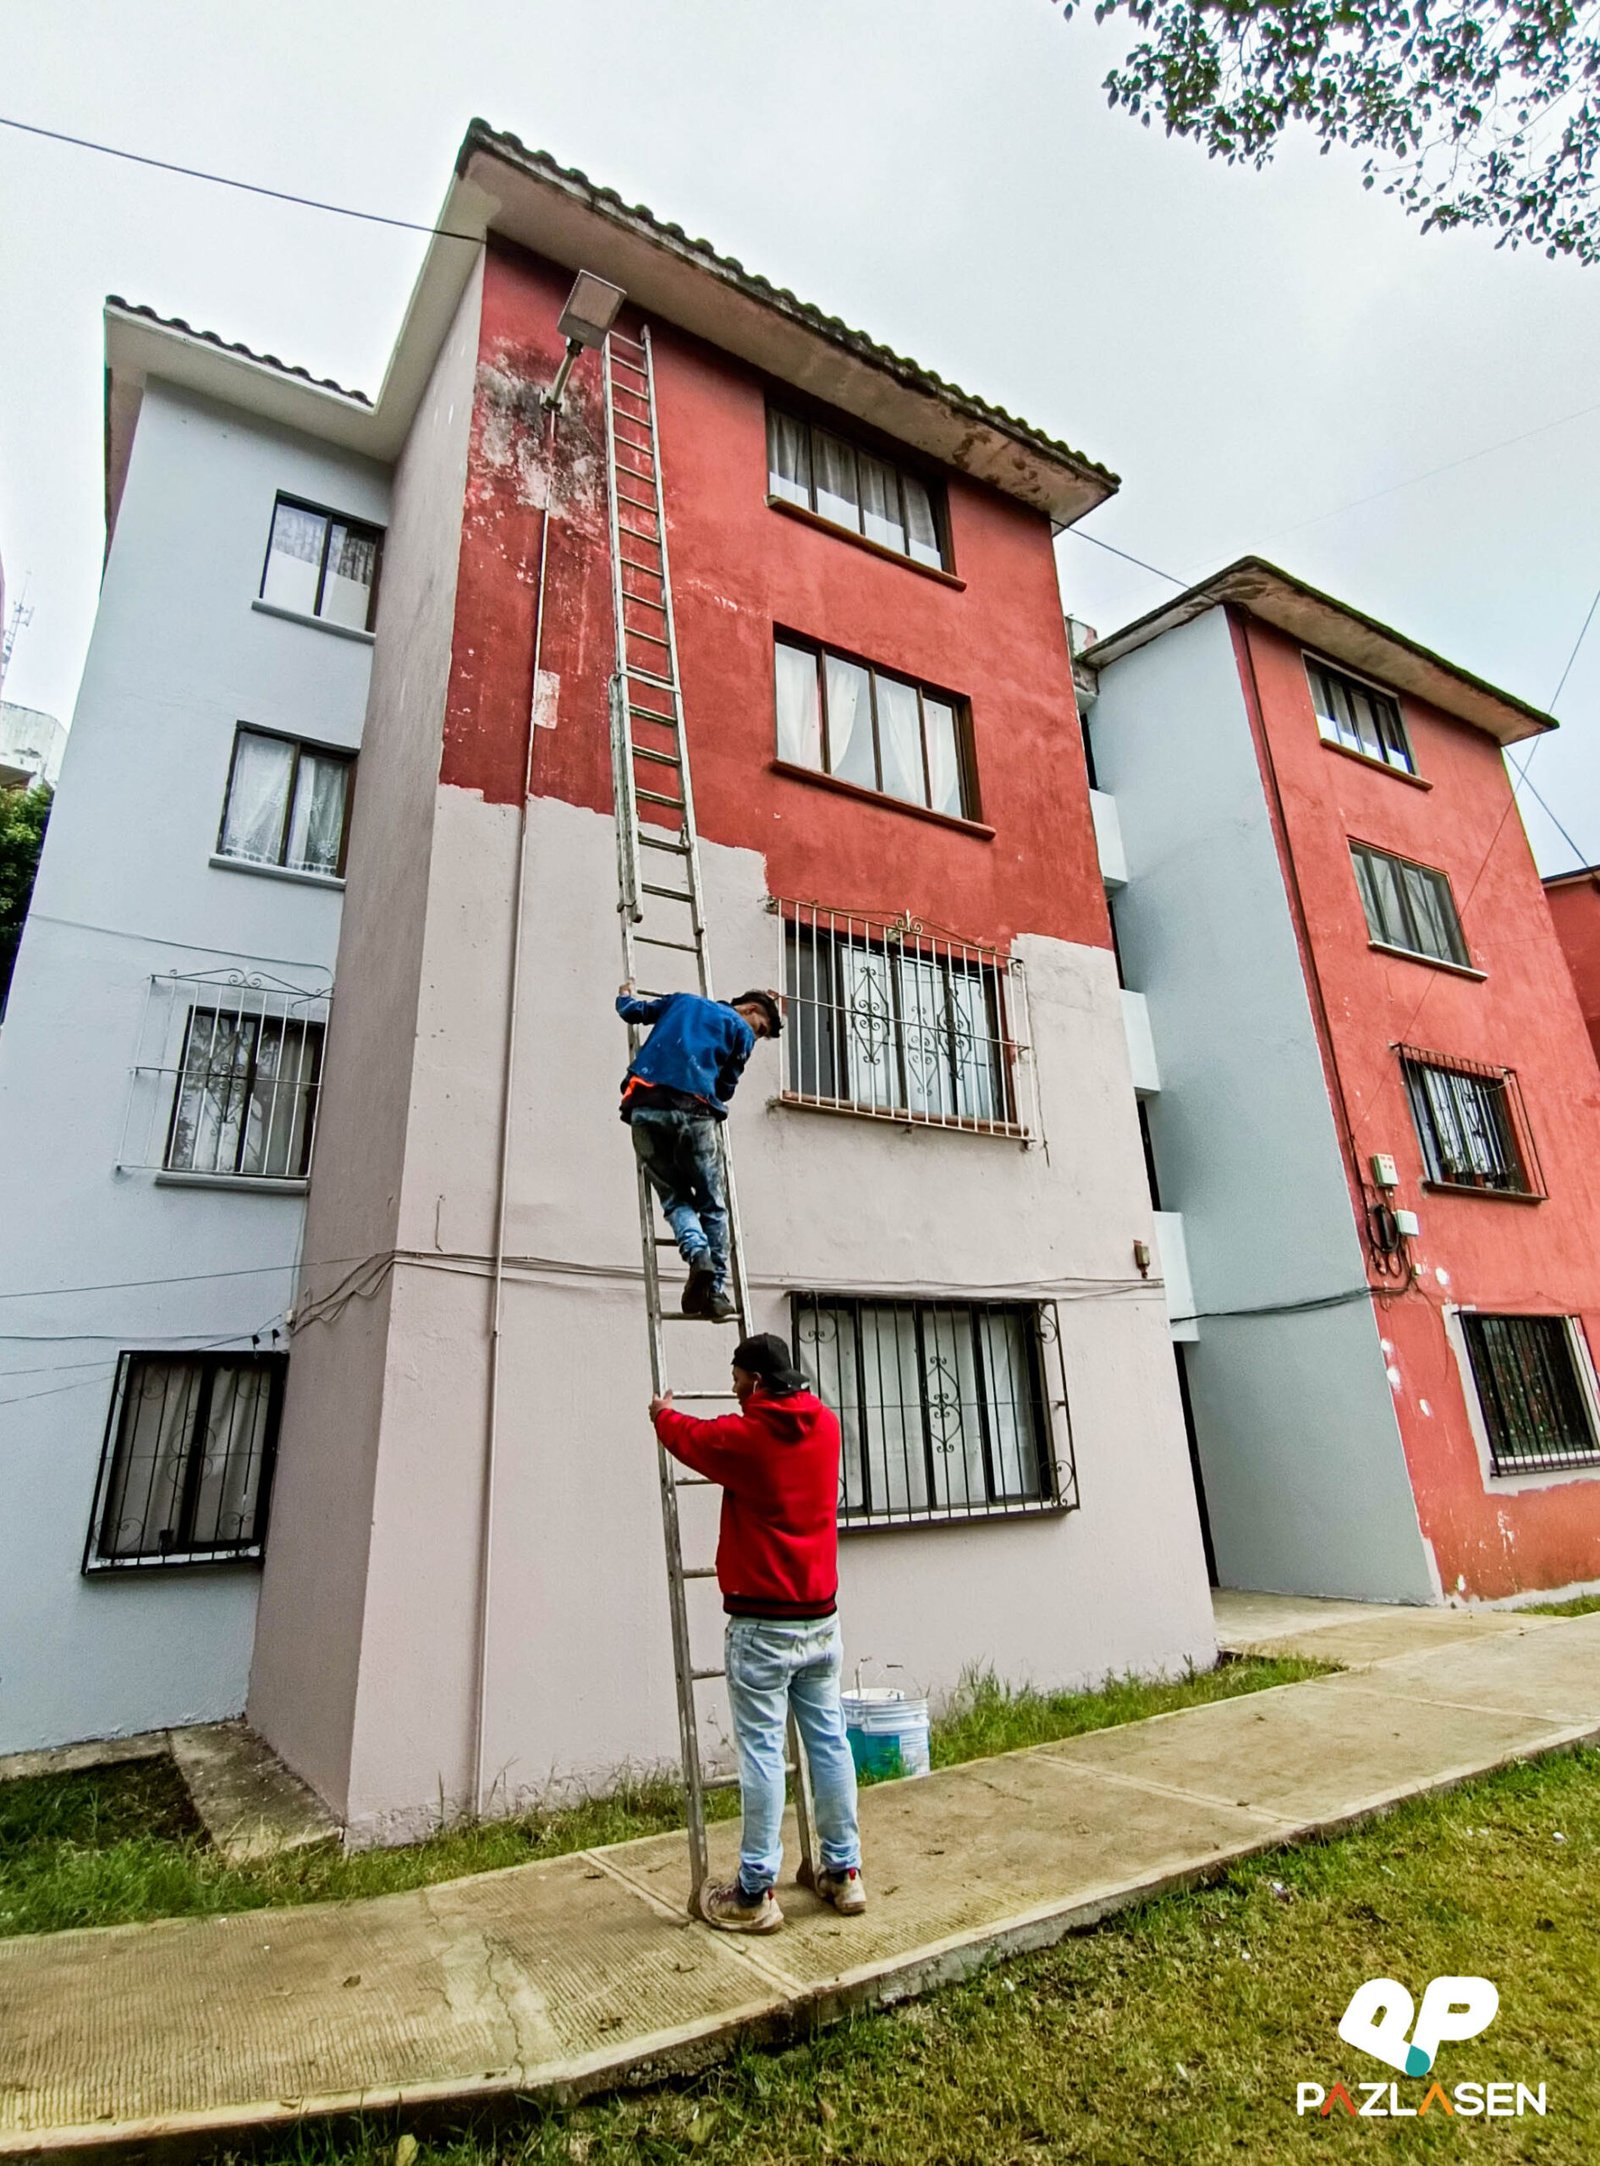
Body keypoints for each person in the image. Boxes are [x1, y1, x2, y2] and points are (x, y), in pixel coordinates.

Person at [650, 1331, 866, 1933]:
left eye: (738, 1379)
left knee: (764, 1754)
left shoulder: (747, 1437)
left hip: (763, 1628)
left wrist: (662, 1413)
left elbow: (692, 1439)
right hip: (820, 1621)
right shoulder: (825, 1427)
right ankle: (844, 1872)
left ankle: (753, 1892)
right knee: (829, 1744)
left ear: (758, 1383)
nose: (733, 1388)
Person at [617, 982, 781, 1322]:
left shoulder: (681, 1001)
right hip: (694, 1113)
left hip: (644, 1108)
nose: (757, 1035)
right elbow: (725, 1087)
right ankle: (715, 1291)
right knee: (712, 1203)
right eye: (761, 1028)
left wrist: (624, 994)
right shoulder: (740, 1030)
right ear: (750, 1010)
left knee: (674, 1197)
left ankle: (697, 1254)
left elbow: (633, 1012)